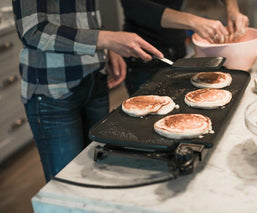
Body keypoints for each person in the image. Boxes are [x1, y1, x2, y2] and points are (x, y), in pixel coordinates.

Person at [12, 0, 163, 182]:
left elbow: (83, 18)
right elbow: (33, 32)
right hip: (53, 90)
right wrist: (107, 39)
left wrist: (109, 48)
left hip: (95, 80)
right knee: (68, 186)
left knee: (100, 172)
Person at [108, 0, 249, 94]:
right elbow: (135, 7)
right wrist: (193, 21)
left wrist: (232, 9)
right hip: (143, 55)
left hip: (178, 51)